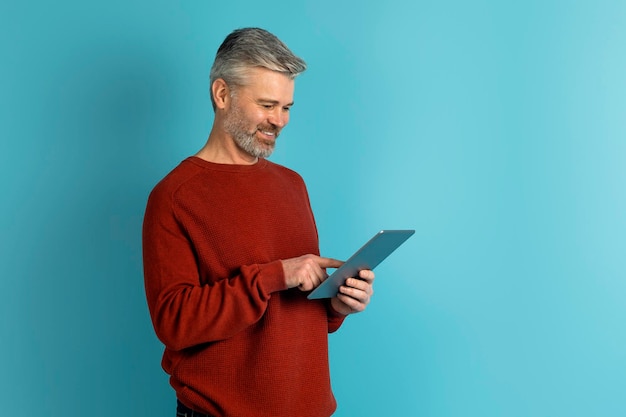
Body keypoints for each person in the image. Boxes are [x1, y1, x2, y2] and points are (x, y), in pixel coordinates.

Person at [142, 27, 375, 417]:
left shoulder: (292, 185)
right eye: (267, 105)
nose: (279, 121)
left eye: (286, 108)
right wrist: (275, 276)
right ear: (222, 94)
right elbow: (174, 322)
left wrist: (337, 304)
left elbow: (297, 310)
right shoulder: (175, 196)